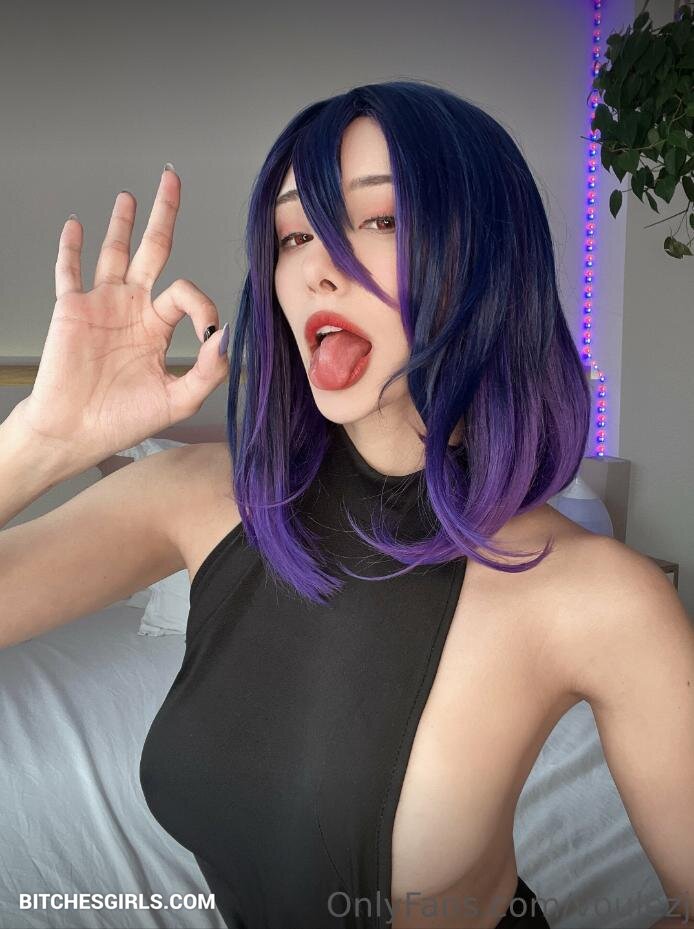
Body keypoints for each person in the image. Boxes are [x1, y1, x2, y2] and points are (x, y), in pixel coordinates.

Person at [0, 80, 692, 929]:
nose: (316, 268)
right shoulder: (197, 496)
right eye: (294, 235)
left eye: (381, 220)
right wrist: (38, 441)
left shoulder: (603, 596)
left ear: (486, 254)